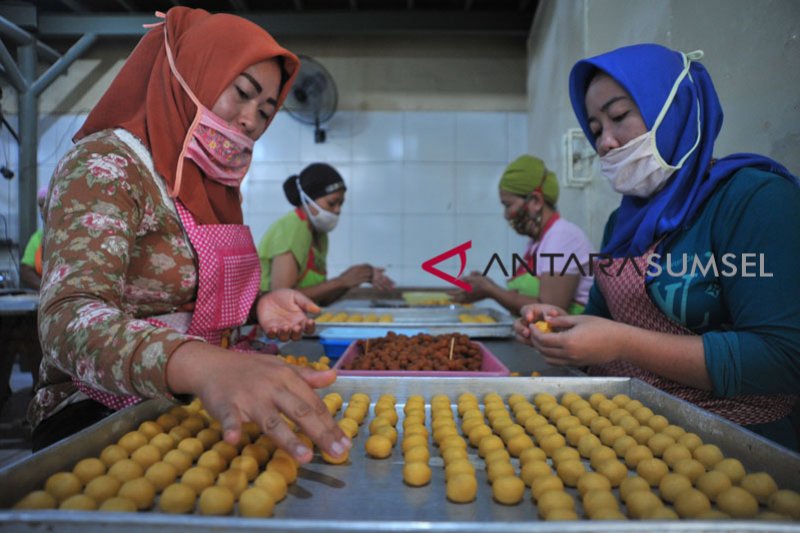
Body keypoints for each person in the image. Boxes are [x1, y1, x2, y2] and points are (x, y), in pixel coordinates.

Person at [30, 7, 351, 462]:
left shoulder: (209, 182)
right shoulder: (107, 167)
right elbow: (65, 320)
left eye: (265, 110)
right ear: (191, 73)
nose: (250, 121)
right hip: (99, 413)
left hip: (192, 402)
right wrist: (201, 365)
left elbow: (186, 304)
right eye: (242, 93)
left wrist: (257, 309)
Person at [514, 44, 800, 450]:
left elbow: (783, 357)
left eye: (618, 117)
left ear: (674, 107)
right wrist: (555, 327)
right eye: (595, 129)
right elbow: (600, 321)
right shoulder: (623, 222)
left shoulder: (753, 199)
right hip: (628, 428)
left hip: (735, 443)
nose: (606, 143)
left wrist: (622, 342)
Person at [452, 155, 594, 315]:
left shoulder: (563, 237)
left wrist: (490, 290)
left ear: (536, 201)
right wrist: (486, 285)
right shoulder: (538, 242)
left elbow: (551, 310)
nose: (506, 215)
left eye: (508, 205)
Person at [257, 162, 395, 306]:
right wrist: (341, 281)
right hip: (275, 325)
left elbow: (320, 300)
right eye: (331, 203)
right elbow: (281, 299)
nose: (337, 210)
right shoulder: (290, 229)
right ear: (307, 200)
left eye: (340, 204)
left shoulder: (319, 234)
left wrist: (352, 280)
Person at [19, 186, 48, 290]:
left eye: (45, 203)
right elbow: (25, 270)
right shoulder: (37, 238)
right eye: (40, 205)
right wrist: (45, 289)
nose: (43, 208)